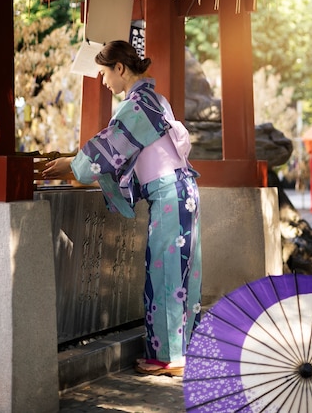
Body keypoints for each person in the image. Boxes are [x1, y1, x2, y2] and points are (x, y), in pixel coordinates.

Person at [42, 40, 202, 377]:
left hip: (171, 195)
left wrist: (72, 165)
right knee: (183, 271)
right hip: (181, 190)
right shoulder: (155, 100)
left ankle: (170, 357)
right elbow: (123, 149)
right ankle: (181, 351)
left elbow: (108, 148)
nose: (102, 81)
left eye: (103, 73)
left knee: (166, 271)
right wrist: (75, 162)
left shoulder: (137, 106)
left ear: (120, 68)